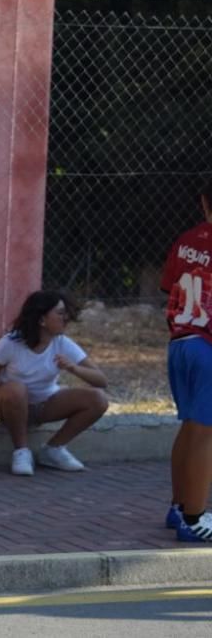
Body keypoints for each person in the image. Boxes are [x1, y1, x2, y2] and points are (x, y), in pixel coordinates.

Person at [0, 290, 109, 476]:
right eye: (59, 313)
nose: (66, 318)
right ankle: (21, 451)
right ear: (41, 320)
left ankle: (53, 449)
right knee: (17, 389)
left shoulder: (62, 342)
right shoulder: (10, 343)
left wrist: (74, 368)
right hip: (9, 404)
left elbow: (101, 381)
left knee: (98, 399)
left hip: (45, 404)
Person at [160, 186, 212, 542]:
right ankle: (195, 518)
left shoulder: (186, 240)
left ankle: (179, 507)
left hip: (180, 343)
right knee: (205, 435)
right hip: (207, 347)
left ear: (204, 201)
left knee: (190, 429)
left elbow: (170, 287)